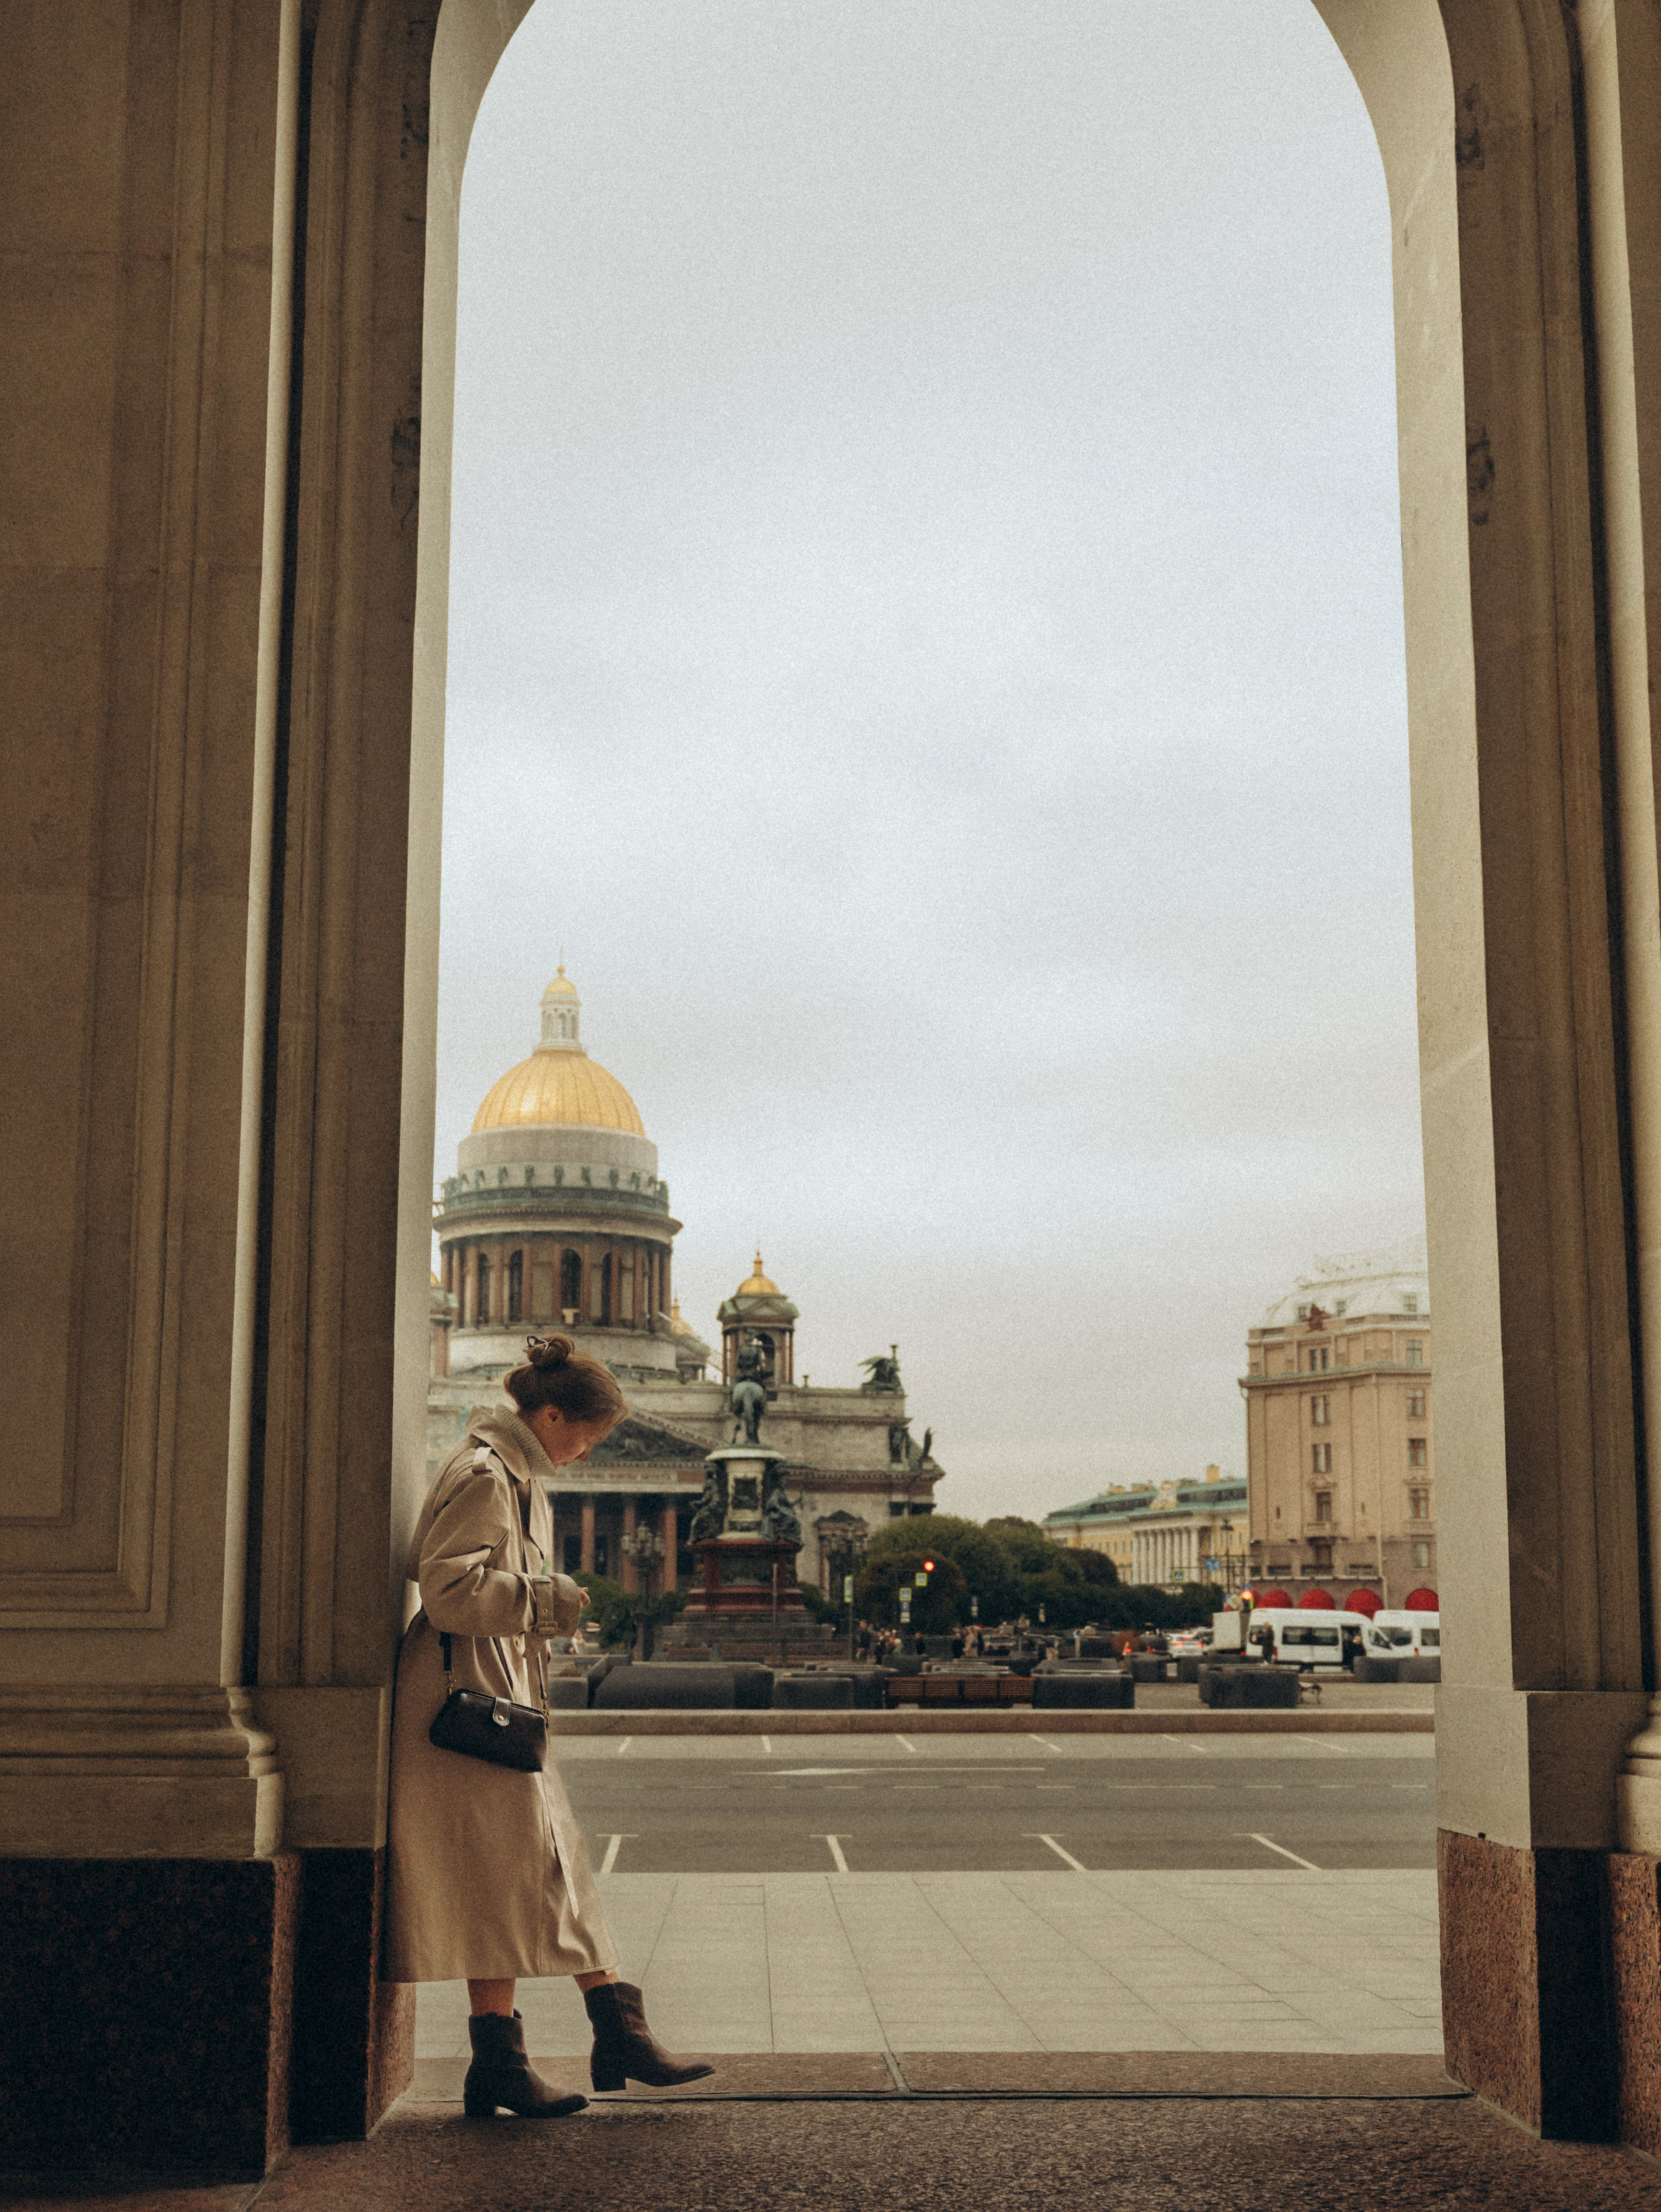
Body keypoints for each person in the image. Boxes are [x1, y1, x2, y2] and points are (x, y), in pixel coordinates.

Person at [386, 1335, 714, 2117]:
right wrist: (551, 1599)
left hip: (485, 1689)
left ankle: (519, 2055)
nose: (586, 1452)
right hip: (466, 1700)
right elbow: (444, 1587)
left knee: (519, 1875)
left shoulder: (510, 1471)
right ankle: (605, 2035)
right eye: (586, 1436)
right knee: (535, 1867)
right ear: (552, 1412)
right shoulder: (484, 1472)